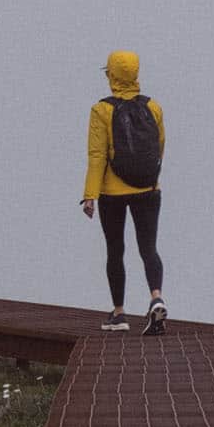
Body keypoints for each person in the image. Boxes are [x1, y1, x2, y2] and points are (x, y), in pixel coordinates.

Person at [81, 50, 167, 334]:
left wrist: (90, 195)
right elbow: (160, 147)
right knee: (148, 248)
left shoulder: (102, 110)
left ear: (112, 75)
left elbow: (97, 156)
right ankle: (156, 297)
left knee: (116, 250)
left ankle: (119, 314)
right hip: (148, 189)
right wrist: (150, 178)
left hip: (112, 193)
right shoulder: (153, 107)